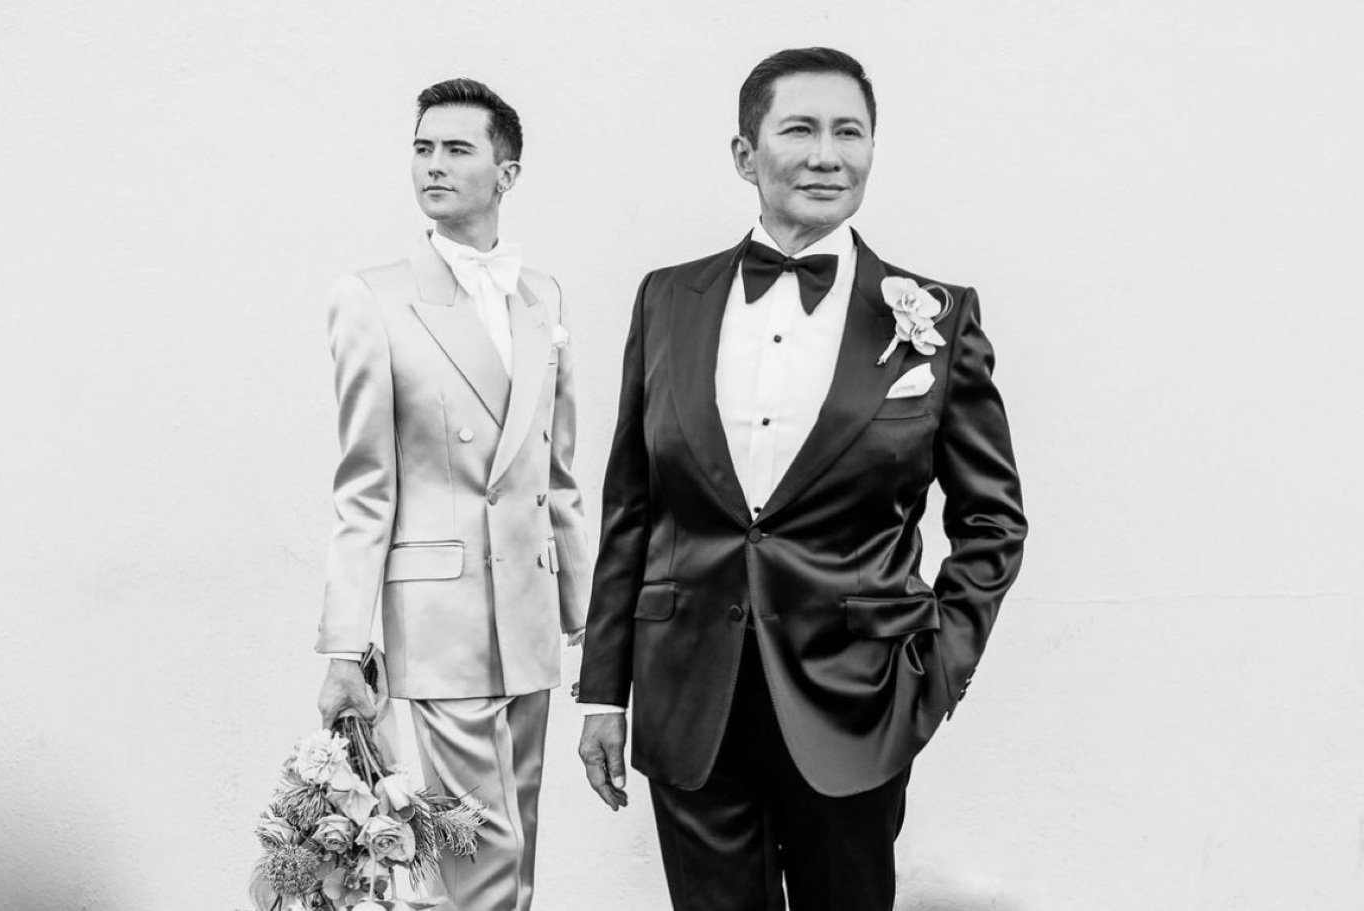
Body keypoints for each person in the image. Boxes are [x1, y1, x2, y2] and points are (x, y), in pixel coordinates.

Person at [576, 47, 1027, 911]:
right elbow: (632, 505)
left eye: (849, 131)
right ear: (746, 155)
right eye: (801, 129)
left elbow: (993, 521)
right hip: (688, 695)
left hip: (856, 698)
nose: (828, 154)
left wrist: (932, 672)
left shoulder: (938, 315)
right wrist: (605, 689)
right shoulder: (666, 300)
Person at [315, 77, 590, 911]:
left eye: (457, 148)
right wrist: (341, 645)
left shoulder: (542, 296)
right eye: (423, 147)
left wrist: (594, 622)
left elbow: (559, 475)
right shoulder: (374, 299)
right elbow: (364, 487)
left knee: (521, 835)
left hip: (531, 607)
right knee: (481, 843)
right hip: (440, 613)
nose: (433, 165)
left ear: (506, 173)